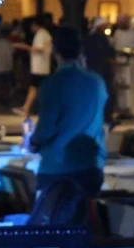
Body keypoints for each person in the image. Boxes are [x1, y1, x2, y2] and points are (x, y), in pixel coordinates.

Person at [29, 27, 107, 198]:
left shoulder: (51, 84)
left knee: (52, 213)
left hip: (57, 167)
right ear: (80, 50)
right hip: (91, 165)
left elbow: (45, 130)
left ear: (55, 52)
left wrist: (33, 143)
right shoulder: (96, 82)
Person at [12, 14, 53, 116]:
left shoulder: (41, 34)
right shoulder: (44, 34)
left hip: (40, 67)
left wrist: (24, 47)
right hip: (42, 66)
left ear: (35, 25)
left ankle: (26, 108)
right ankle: (27, 108)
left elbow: (40, 49)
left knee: (35, 88)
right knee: (36, 88)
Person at [82, 17, 117, 123]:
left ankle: (106, 115)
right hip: (97, 69)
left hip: (103, 70)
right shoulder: (92, 39)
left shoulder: (103, 38)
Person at [111, 14, 134, 117]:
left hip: (132, 64)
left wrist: (131, 52)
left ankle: (133, 109)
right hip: (120, 63)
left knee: (132, 86)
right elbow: (114, 45)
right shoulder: (117, 33)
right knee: (121, 86)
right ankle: (122, 108)